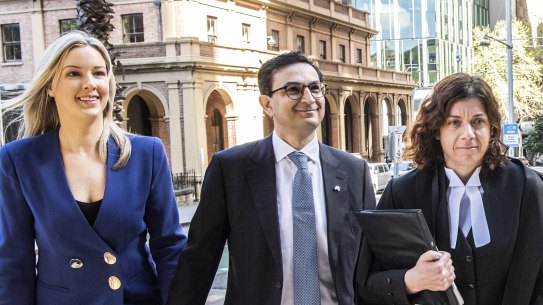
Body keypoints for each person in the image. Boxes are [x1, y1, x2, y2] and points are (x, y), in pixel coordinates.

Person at [166, 51, 376, 305]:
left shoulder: (354, 171)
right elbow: (199, 259)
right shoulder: (231, 169)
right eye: (293, 89)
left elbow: (369, 263)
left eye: (315, 88)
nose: (308, 98)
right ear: (267, 104)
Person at [0, 31, 187, 305]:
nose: (90, 84)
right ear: (50, 85)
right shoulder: (18, 159)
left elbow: (170, 247)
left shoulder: (147, 153)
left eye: (99, 73)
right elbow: (14, 262)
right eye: (74, 74)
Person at [357, 73, 543, 305]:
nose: (468, 134)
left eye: (478, 122)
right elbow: (366, 284)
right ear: (437, 130)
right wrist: (411, 280)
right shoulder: (402, 192)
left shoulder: (525, 186)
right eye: (454, 122)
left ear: (492, 129)